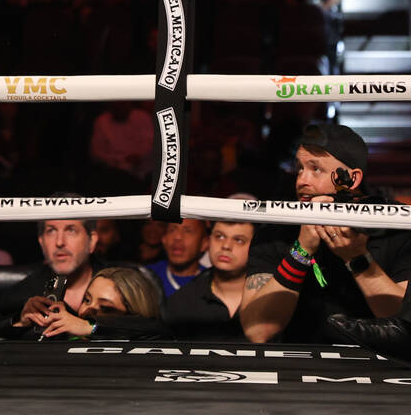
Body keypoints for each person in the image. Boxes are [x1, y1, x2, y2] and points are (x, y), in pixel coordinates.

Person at [239, 123, 411, 344]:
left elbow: (403, 327)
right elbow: (258, 332)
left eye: (315, 169)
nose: (302, 180)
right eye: (300, 168)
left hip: (378, 367)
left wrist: (356, 257)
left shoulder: (395, 226)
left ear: (351, 179)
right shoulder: (276, 229)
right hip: (299, 366)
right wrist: (301, 251)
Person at [0, 218, 103, 321]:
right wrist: (20, 324)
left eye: (71, 230)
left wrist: (90, 328)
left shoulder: (117, 285)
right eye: (51, 231)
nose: (59, 242)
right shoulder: (18, 298)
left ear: (92, 240)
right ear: (41, 242)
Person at [165, 221, 255, 340]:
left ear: (254, 247)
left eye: (238, 240)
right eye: (220, 236)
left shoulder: (270, 296)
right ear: (209, 240)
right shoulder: (180, 302)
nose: (226, 245)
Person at [31, 266, 167, 340]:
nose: (88, 310)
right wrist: (19, 323)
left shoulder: (152, 332)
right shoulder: (62, 336)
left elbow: (155, 328)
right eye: (87, 300)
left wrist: (91, 327)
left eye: (106, 308)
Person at [147, 218, 210, 297]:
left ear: (205, 243)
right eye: (172, 230)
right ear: (164, 239)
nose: (177, 237)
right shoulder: (147, 277)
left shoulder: (212, 284)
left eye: (188, 231)